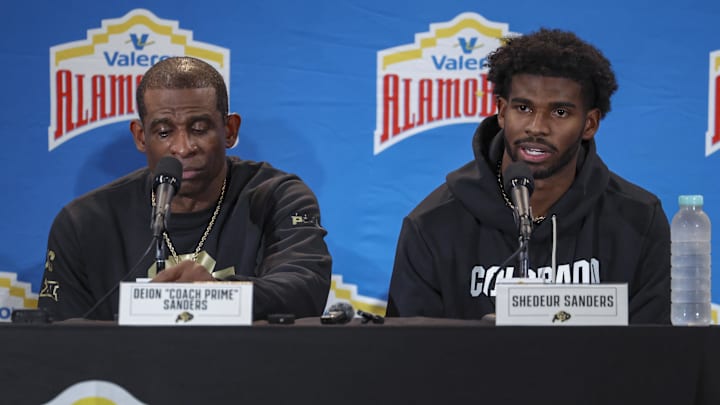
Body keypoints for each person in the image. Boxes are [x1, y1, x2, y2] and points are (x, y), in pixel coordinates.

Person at [386, 28, 670, 324]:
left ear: (589, 124)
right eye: (523, 108)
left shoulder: (638, 220)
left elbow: (656, 354)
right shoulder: (433, 225)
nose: (537, 127)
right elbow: (409, 356)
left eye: (559, 112)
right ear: (501, 111)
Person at [38, 56, 332, 321]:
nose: (183, 147)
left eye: (199, 128)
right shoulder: (85, 222)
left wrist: (213, 295)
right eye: (164, 132)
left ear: (229, 130)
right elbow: (60, 339)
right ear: (141, 137)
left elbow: (305, 287)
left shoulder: (277, 197)